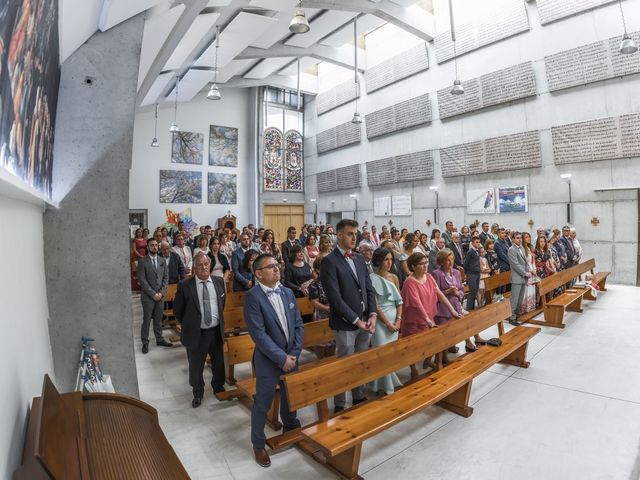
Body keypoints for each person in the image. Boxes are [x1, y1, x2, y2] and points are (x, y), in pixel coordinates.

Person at [244, 253, 304, 468]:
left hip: (292, 356)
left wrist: (294, 354)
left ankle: (290, 425)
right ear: (258, 273)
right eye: (271, 267)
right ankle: (258, 444)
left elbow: (298, 324)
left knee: (291, 396)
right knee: (263, 402)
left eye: (277, 265)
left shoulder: (287, 292)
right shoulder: (253, 297)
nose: (277, 269)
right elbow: (258, 334)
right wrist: (281, 358)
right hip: (269, 360)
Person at [320, 219, 377, 413]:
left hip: (365, 320)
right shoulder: (329, 261)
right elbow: (335, 299)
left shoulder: (360, 258)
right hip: (345, 323)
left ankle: (358, 395)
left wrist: (373, 314)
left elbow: (369, 289)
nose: (354, 237)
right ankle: (340, 404)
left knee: (360, 362)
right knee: (345, 364)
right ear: (339, 235)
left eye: (355, 234)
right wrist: (356, 320)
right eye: (350, 234)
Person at [173, 254, 226, 408]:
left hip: (215, 331)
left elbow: (221, 304)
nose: (203, 267)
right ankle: (198, 392)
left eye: (206, 264)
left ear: (209, 265)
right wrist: (190, 324)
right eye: (200, 265)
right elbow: (178, 310)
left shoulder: (219, 282)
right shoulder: (185, 285)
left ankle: (218, 386)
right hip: (197, 332)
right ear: (194, 268)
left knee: (218, 362)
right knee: (196, 366)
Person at [401, 252, 461, 378]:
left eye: (426, 262)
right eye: (421, 264)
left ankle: (427, 361)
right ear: (413, 267)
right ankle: (413, 369)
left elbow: (439, 294)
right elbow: (417, 304)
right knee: (414, 348)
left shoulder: (428, 276)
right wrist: (428, 320)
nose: (425, 266)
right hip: (414, 320)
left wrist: (453, 311)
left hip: (429, 316)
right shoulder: (410, 282)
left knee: (431, 342)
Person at [431, 249, 484, 355]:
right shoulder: (436, 274)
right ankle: (461, 344)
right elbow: (435, 294)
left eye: (452, 260)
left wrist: (457, 293)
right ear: (441, 261)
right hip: (443, 309)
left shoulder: (456, 272)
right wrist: (448, 291)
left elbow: (461, 289)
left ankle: (472, 340)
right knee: (454, 325)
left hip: (456, 305)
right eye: (447, 260)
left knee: (469, 319)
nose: (450, 263)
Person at [369, 247, 403, 395]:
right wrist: (387, 323)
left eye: (391, 259)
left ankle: (388, 382)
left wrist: (398, 320)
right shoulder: (371, 278)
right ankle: (385, 386)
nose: (389, 263)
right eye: (386, 260)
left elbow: (399, 301)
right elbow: (374, 305)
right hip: (380, 322)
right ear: (378, 261)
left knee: (391, 353)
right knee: (381, 352)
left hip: (394, 317)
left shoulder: (394, 277)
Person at [137, 239, 173, 353]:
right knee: (147, 320)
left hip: (160, 296)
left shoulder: (162, 260)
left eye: (156, 245)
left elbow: (166, 278)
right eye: (152, 245)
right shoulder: (142, 261)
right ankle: (145, 342)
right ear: (147, 247)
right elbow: (142, 281)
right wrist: (153, 294)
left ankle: (159, 339)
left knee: (158, 320)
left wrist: (161, 293)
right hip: (148, 297)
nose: (154, 247)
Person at [308, 257, 335, 358]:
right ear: (318, 270)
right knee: (321, 342)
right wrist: (327, 308)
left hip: (334, 313)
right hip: (321, 315)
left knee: (333, 341)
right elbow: (314, 302)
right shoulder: (314, 284)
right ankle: (321, 362)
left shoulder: (333, 281)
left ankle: (331, 361)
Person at [507, 232, 531, 324]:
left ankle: (517, 315)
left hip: (524, 277)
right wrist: (525, 273)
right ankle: (511, 317)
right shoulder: (511, 249)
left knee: (520, 299)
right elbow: (515, 264)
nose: (520, 239)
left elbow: (525, 262)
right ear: (513, 239)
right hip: (517, 278)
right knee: (515, 299)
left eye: (520, 238)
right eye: (517, 238)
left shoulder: (522, 248)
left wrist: (528, 270)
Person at [464, 236, 481, 311]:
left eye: (479, 242)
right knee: (472, 291)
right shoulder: (470, 252)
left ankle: (473, 307)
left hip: (477, 273)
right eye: (476, 242)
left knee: (475, 290)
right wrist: (466, 274)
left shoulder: (477, 251)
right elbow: (466, 263)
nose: (478, 244)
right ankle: (469, 308)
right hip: (471, 273)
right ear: (472, 243)